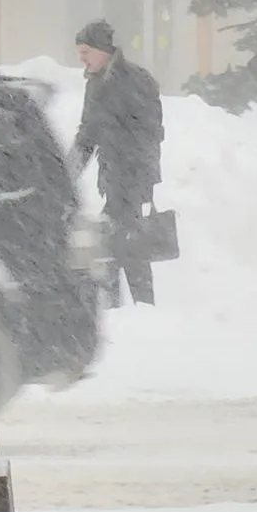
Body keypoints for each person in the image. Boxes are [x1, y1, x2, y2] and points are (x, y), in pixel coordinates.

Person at [70, 19, 165, 306]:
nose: (81, 57)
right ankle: (129, 304)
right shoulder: (96, 83)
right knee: (121, 241)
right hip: (114, 175)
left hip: (132, 175)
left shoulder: (136, 81)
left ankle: (123, 304)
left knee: (118, 241)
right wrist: (66, 172)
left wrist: (143, 176)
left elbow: (151, 132)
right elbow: (88, 134)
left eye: (86, 51)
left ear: (103, 50)